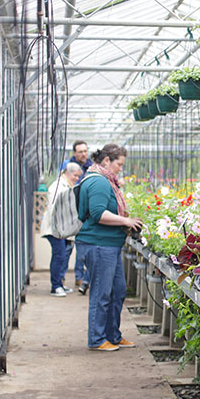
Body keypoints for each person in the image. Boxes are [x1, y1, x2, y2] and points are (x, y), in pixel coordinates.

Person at [76, 143, 143, 352]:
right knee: (101, 293)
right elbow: (98, 213)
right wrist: (126, 221)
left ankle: (113, 335)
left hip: (109, 246)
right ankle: (96, 339)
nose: (120, 169)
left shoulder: (105, 181)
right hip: (98, 245)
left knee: (117, 291)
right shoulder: (98, 182)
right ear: (106, 160)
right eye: (119, 164)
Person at [39, 162, 83, 296]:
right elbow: (54, 209)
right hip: (55, 229)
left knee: (62, 255)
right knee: (59, 256)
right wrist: (60, 230)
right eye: (75, 176)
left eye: (78, 176)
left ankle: (59, 284)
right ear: (67, 173)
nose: (77, 179)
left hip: (61, 229)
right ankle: (55, 286)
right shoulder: (57, 186)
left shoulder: (66, 184)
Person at [60, 141, 93, 292]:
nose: (83, 154)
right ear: (74, 153)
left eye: (85, 151)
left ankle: (79, 278)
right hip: (69, 214)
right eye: (80, 152)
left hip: (84, 214)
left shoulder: (91, 167)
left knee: (82, 248)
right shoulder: (67, 166)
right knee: (66, 248)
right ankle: (61, 277)